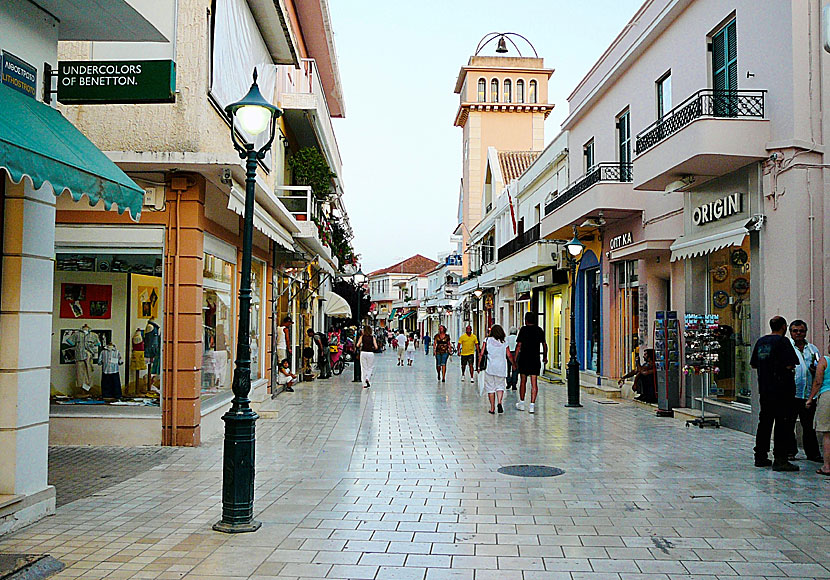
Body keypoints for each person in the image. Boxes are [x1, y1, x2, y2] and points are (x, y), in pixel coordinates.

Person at [750, 316, 799, 471]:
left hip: (765, 389)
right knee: (782, 424)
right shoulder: (782, 342)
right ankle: (780, 459)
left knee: (764, 422)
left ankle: (760, 456)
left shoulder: (761, 342)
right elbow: (790, 363)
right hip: (782, 390)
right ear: (784, 327)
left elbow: (754, 364)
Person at [788, 320, 822, 462]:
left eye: (801, 331)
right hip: (791, 393)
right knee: (788, 424)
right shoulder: (787, 347)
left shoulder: (812, 349)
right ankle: (789, 452)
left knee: (809, 426)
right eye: (795, 331)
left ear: (805, 332)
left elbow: (819, 366)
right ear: (790, 332)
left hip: (808, 394)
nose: (798, 334)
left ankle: (812, 453)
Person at [514, 312, 548, 414]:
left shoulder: (523, 330)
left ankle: (522, 403)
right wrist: (545, 356)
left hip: (524, 358)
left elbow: (519, 345)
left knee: (523, 381)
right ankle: (532, 405)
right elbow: (544, 344)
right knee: (534, 382)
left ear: (526, 320)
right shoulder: (539, 330)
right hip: (535, 358)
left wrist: (515, 360)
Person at [805, 343, 830, 476]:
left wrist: (810, 398)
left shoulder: (824, 360)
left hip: (827, 396)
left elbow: (818, 381)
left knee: (827, 433)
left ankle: (827, 466)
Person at [479, 324, 514, 414]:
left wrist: (479, 365)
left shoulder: (487, 340)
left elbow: (481, 353)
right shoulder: (504, 341)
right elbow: (509, 355)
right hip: (501, 367)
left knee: (490, 387)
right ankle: (499, 402)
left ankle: (492, 408)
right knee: (500, 386)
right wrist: (513, 364)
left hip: (490, 367)